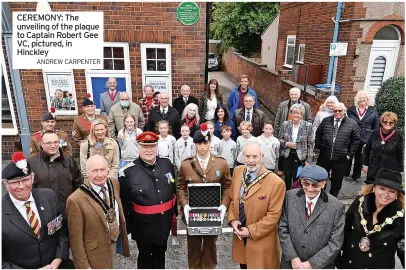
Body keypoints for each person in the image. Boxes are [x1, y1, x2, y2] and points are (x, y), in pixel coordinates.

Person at [119, 132, 177, 269]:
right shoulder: (127, 172)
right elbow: (125, 203)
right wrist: (128, 228)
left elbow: (172, 190)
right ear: (138, 147)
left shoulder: (167, 164)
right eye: (144, 147)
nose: (149, 150)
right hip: (142, 226)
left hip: (163, 223)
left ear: (157, 147)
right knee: (144, 258)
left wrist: (174, 217)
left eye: (152, 146)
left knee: (160, 256)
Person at [177, 123, 232, 269]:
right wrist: (185, 206)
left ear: (210, 143)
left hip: (213, 213)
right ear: (195, 144)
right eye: (199, 143)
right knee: (193, 248)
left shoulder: (221, 163)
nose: (202, 146)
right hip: (192, 213)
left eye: (205, 143)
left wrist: (223, 206)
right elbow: (181, 187)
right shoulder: (186, 165)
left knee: (210, 247)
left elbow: (228, 186)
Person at [2, 152, 70, 269]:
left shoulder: (49, 196)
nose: (22, 186)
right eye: (15, 182)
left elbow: (62, 230)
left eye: (25, 179)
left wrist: (58, 259)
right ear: (5, 184)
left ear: (32, 177)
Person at [66, 155, 130, 269]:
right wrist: (84, 267)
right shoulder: (75, 200)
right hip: (93, 254)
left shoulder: (114, 183)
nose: (99, 175)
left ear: (108, 169)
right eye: (94, 171)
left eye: (102, 169)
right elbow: (75, 241)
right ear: (86, 172)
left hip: (113, 244)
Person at [228, 142, 285, 268]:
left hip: (261, 241)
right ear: (243, 157)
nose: (251, 161)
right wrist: (232, 220)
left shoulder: (276, 183)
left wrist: (251, 231)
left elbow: (273, 216)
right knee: (243, 266)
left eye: (255, 157)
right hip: (240, 236)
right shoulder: (238, 171)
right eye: (247, 156)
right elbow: (233, 199)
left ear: (262, 157)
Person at [279, 165, 345, 269]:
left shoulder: (336, 206)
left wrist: (312, 263)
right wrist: (293, 257)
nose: (310, 189)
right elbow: (283, 228)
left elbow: (336, 242)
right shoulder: (289, 197)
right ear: (301, 181)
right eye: (306, 184)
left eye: (315, 185)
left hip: (320, 265)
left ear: (323, 184)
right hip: (290, 262)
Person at [337, 168, 405, 269]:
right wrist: (337, 259)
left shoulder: (400, 217)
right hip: (349, 264)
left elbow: (403, 249)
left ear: (397, 195)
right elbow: (342, 231)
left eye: (392, 191)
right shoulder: (359, 203)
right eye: (382, 188)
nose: (386, 195)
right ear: (374, 188)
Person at [28, 131, 82, 215]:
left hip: (67, 210)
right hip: (43, 212)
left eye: (55, 142)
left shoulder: (68, 160)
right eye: (49, 143)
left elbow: (78, 183)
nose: (53, 146)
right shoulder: (32, 163)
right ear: (41, 144)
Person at [315, 102, 360, 197]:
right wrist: (319, 146)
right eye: (335, 111)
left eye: (340, 110)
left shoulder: (352, 123)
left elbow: (355, 141)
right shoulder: (326, 120)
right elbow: (318, 133)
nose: (337, 112)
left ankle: (333, 198)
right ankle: (320, 196)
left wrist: (349, 154)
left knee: (337, 180)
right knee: (321, 177)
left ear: (344, 111)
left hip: (341, 158)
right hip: (324, 156)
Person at [274, 87, 312, 177]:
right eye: (292, 94)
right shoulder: (283, 105)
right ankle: (281, 169)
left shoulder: (306, 107)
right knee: (287, 171)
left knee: (298, 176)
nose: (294, 96)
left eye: (296, 94)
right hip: (287, 136)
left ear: (299, 95)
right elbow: (277, 118)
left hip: (301, 151)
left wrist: (309, 160)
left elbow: (310, 143)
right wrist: (278, 134)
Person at [278, 104, 314, 191]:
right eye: (293, 113)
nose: (296, 115)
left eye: (298, 113)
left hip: (301, 157)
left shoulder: (308, 126)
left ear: (302, 115)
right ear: (291, 114)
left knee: (297, 178)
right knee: (287, 177)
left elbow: (311, 144)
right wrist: (286, 143)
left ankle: (295, 195)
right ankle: (287, 195)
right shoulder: (285, 124)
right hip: (288, 155)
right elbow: (279, 138)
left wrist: (309, 161)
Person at [346, 90, 379, 180]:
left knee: (360, 158)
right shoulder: (351, 110)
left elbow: (375, 127)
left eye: (364, 98)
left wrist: (373, 139)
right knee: (349, 154)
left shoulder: (373, 111)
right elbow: (347, 123)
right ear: (357, 99)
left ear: (367, 99)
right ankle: (345, 172)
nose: (362, 99)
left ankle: (356, 175)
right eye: (360, 98)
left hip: (365, 138)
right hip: (352, 136)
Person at [363, 112, 404, 184]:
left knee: (384, 191)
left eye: (390, 122)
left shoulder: (398, 136)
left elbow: (400, 154)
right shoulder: (374, 133)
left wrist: (399, 170)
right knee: (371, 189)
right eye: (385, 121)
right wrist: (365, 165)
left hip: (390, 170)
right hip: (373, 168)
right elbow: (367, 150)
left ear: (394, 124)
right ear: (381, 122)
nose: (388, 124)